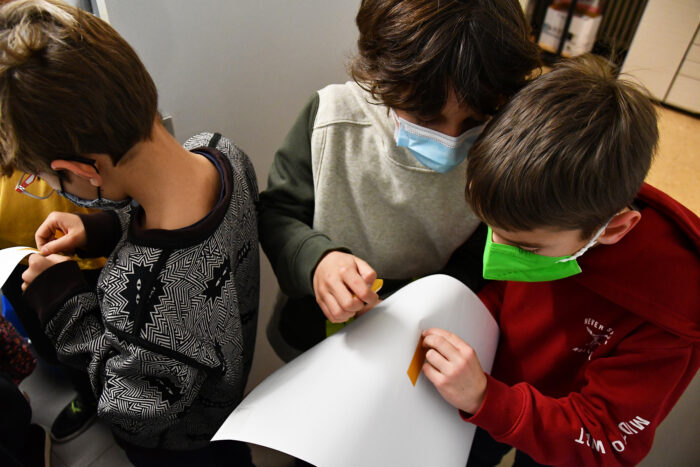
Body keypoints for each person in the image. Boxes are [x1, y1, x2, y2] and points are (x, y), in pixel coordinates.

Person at [0, 1, 259, 465]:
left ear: (83, 171)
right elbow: (195, 245)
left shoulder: (137, 290)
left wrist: (65, 305)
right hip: (226, 401)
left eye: (45, 179)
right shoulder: (221, 152)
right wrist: (100, 228)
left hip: (181, 447)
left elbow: (129, 410)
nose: (49, 187)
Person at [421, 55, 700, 466]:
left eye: (526, 249)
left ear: (614, 229)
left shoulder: (671, 313)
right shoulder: (542, 214)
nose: (496, 249)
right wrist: (466, 321)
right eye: (490, 230)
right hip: (488, 387)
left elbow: (606, 436)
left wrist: (486, 399)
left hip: (565, 434)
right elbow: (504, 291)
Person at [259, 0, 542, 361]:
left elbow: (481, 252)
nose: (451, 138)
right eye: (427, 117)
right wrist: (317, 261)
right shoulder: (332, 120)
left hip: (417, 330)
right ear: (381, 75)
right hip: (311, 329)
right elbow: (277, 214)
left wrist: (432, 299)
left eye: (474, 121)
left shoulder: (498, 143)